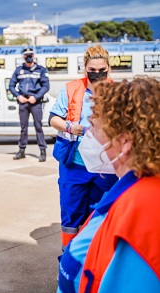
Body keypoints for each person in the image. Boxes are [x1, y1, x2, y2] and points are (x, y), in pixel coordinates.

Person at [57, 76, 160, 293]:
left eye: (95, 128)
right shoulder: (130, 190)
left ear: (124, 143)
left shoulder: (140, 212)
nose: (89, 135)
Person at [49, 45, 118, 251]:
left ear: (109, 69)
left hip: (105, 168)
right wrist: (71, 126)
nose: (97, 74)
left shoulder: (117, 92)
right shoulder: (71, 89)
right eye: (92, 70)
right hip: (75, 166)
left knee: (100, 215)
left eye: (102, 70)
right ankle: (68, 262)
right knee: (71, 216)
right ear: (84, 68)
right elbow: (54, 119)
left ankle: (95, 262)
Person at [9, 46, 50, 162]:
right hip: (23, 102)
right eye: (26, 55)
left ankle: (42, 151)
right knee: (23, 128)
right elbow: (11, 86)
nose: (28, 57)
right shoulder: (19, 70)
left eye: (30, 55)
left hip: (35, 102)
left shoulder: (40, 70)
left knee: (38, 127)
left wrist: (36, 97)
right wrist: (18, 96)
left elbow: (46, 86)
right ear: (23, 56)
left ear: (34, 56)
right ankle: (21, 150)